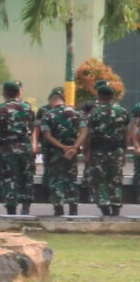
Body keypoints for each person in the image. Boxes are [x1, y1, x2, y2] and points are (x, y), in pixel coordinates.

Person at [87, 81, 132, 217]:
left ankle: (105, 208)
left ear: (100, 95)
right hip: (116, 150)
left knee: (100, 180)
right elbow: (125, 134)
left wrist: (87, 152)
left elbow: (89, 134)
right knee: (115, 179)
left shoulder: (95, 113)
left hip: (99, 151)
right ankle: (116, 207)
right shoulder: (122, 111)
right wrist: (124, 153)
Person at [39, 85, 85, 216]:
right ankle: (73, 208)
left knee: (57, 179)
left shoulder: (48, 114)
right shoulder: (76, 113)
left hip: (55, 153)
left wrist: (62, 147)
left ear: (51, 101)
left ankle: (58, 208)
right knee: (71, 178)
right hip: (72, 153)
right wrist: (74, 147)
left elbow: (47, 135)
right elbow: (84, 131)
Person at [0, 80, 37, 217]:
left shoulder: (0, 110)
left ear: (5, 93)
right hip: (25, 146)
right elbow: (32, 127)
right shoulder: (28, 108)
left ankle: (11, 210)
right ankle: (26, 207)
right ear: (18, 92)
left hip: (7, 148)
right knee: (27, 176)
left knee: (9, 178)